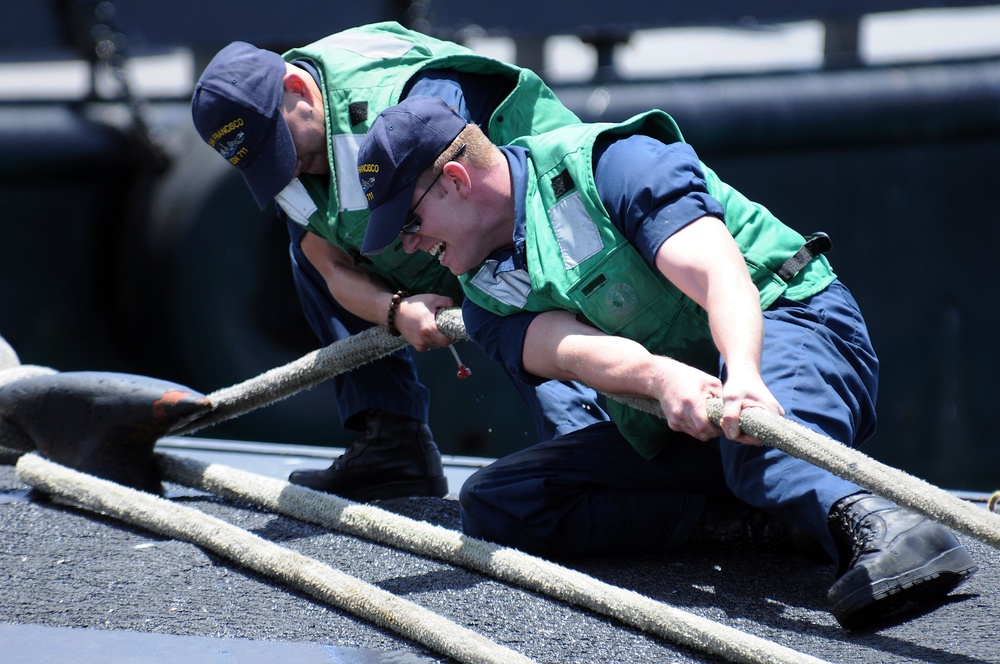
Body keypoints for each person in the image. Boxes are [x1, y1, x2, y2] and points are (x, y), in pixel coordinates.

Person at [354, 95, 978, 629]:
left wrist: (743, 374)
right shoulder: (486, 295)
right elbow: (571, 352)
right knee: (502, 499)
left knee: (758, 454)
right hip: (689, 405)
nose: (410, 247)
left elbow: (718, 273)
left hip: (792, 323)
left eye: (409, 222)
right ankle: (764, 523)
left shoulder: (612, 164)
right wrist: (664, 379)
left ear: (457, 181)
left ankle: (893, 529)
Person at [190, 22, 608, 502]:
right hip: (424, 236)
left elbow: (486, 205)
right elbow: (328, 268)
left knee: (512, 288)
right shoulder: (288, 160)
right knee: (303, 249)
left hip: (526, 221)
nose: (287, 169)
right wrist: (395, 311)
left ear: (297, 88)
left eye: (282, 148)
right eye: (264, 162)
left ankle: (584, 443)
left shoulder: (410, 102)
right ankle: (393, 443)